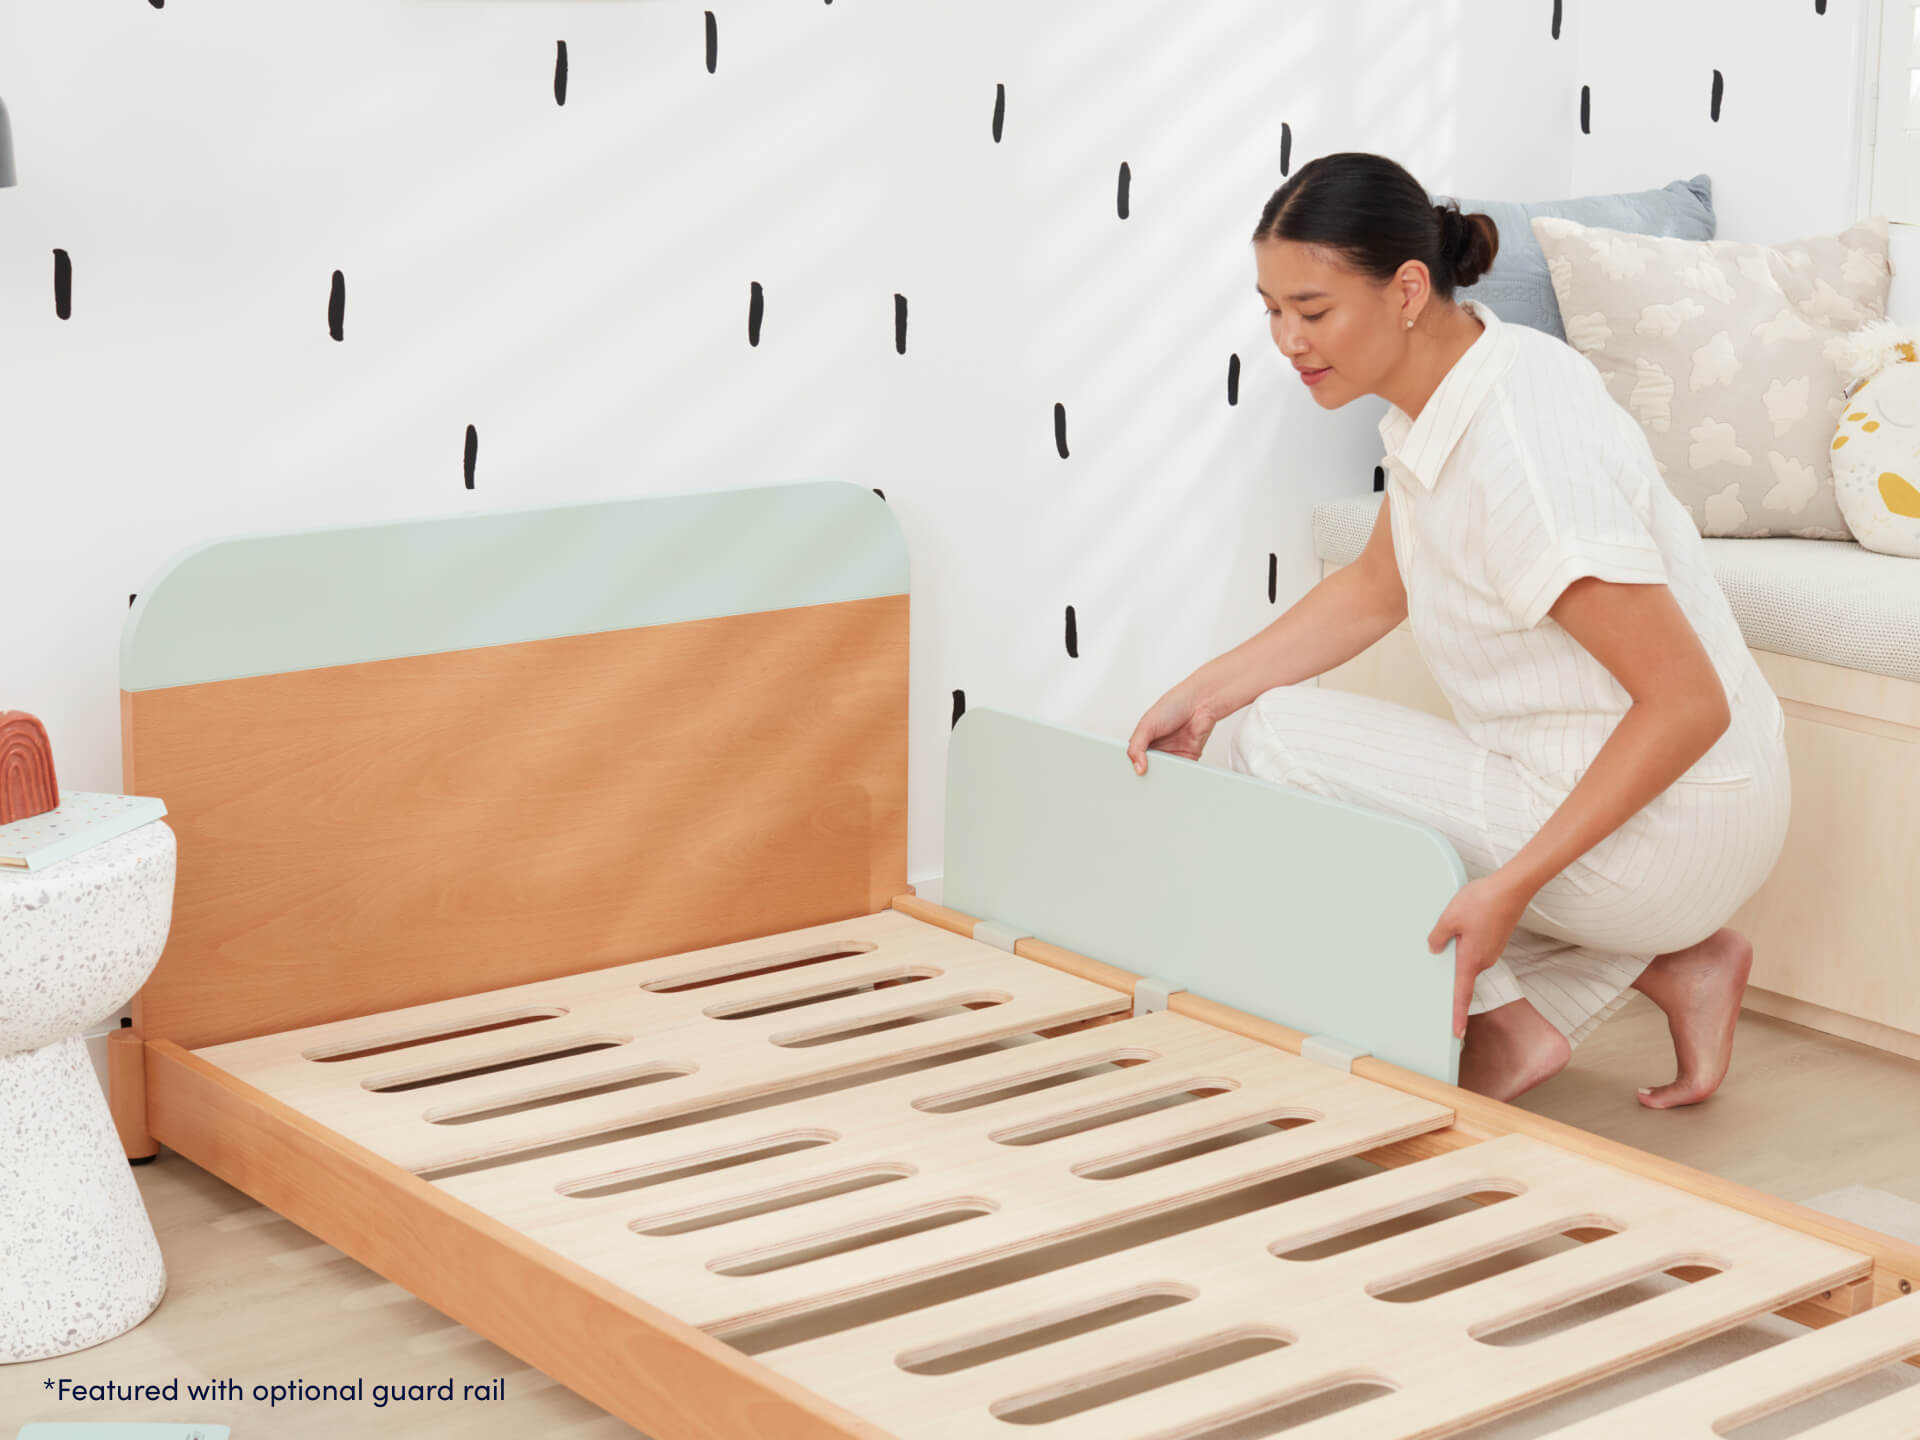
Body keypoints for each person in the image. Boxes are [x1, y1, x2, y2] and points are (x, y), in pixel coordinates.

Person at [1124, 152, 1791, 1107]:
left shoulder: (1517, 451)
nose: (1287, 340)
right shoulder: (1468, 375)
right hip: (1698, 807)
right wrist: (1206, 689)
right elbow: (1375, 588)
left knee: (1280, 746)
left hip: (1676, 816)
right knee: (1285, 755)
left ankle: (1511, 1023)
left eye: (1311, 312)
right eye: (1271, 310)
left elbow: (1687, 704)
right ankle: (1678, 964)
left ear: (1404, 291)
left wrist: (1512, 886)